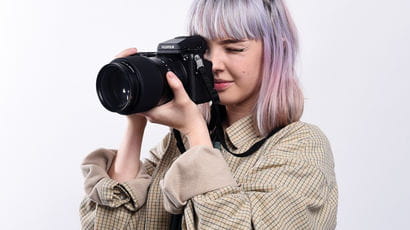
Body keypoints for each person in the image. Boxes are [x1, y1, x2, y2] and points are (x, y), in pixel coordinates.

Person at [79, 0, 338, 229]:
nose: (214, 65)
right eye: (202, 50)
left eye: (234, 48)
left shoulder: (301, 145)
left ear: (276, 50)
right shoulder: (179, 144)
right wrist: (135, 117)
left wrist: (195, 132)